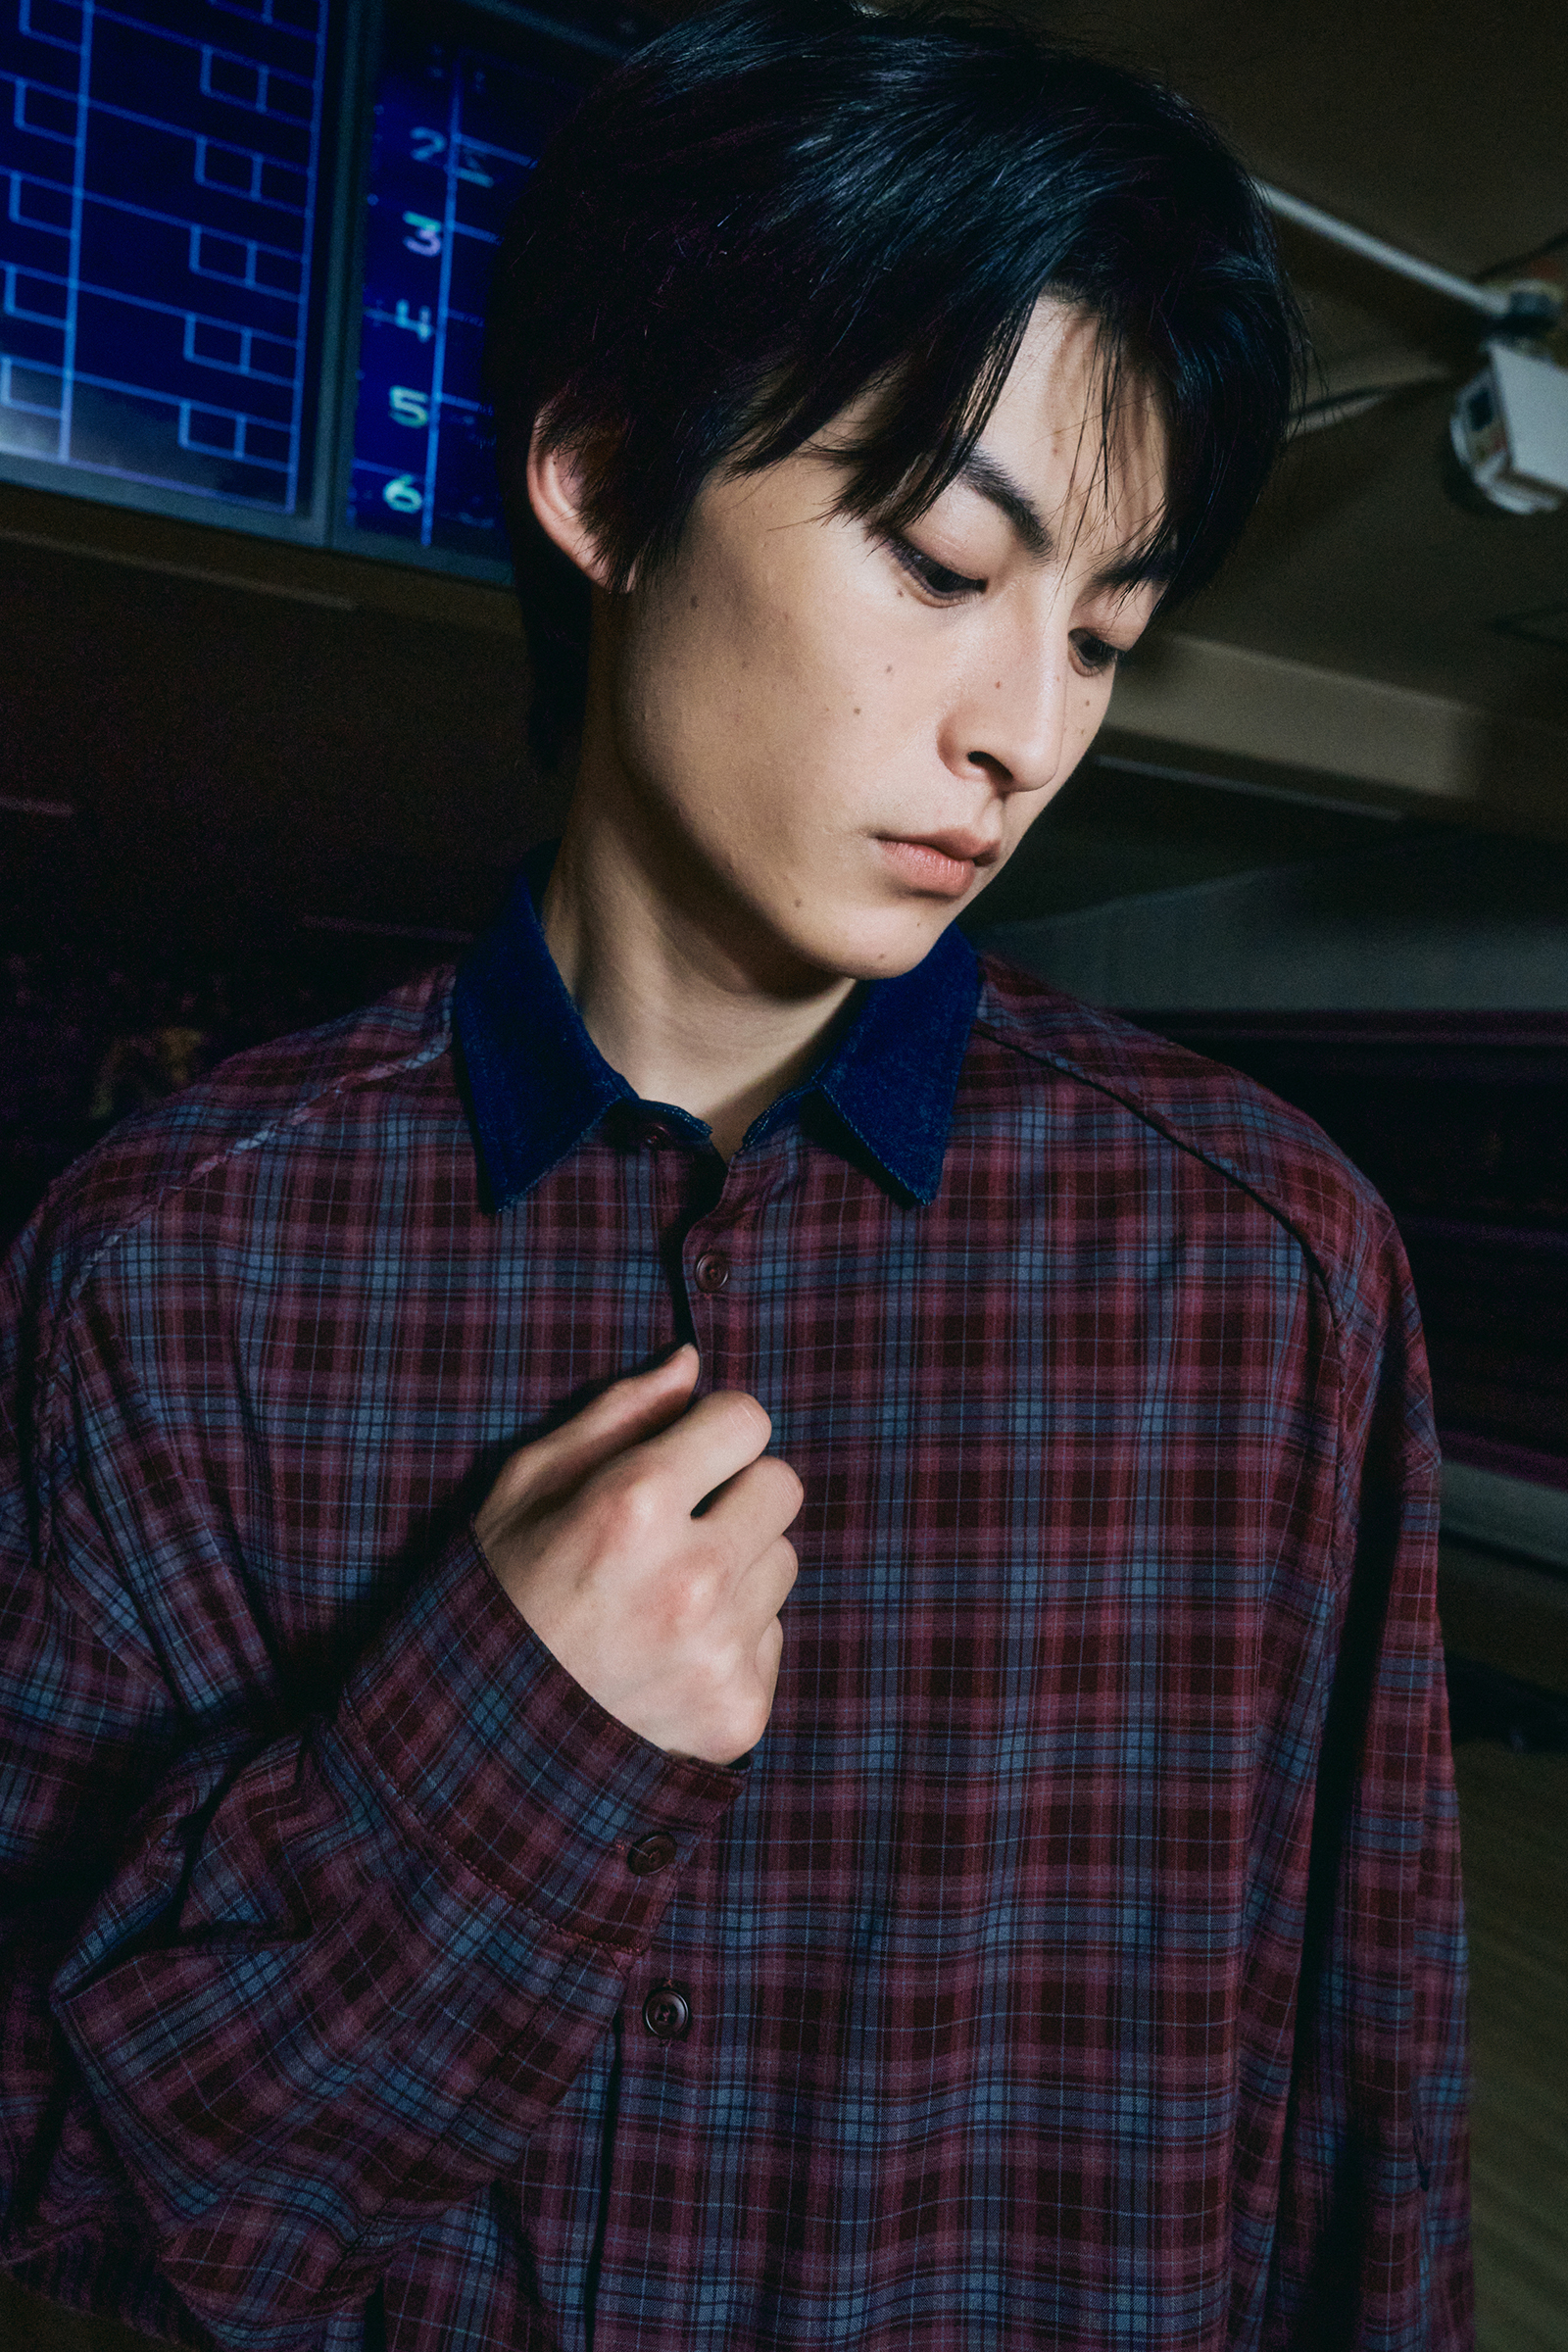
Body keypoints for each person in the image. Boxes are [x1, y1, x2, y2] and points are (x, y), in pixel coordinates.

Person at [0, 1, 1470, 2346]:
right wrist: (497, 1760)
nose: (1024, 734)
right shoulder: (171, 1269)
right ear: (603, 484)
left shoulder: (1262, 1274)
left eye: (1101, 636)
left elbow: (1360, 2159)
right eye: (938, 561)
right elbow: (67, 2202)